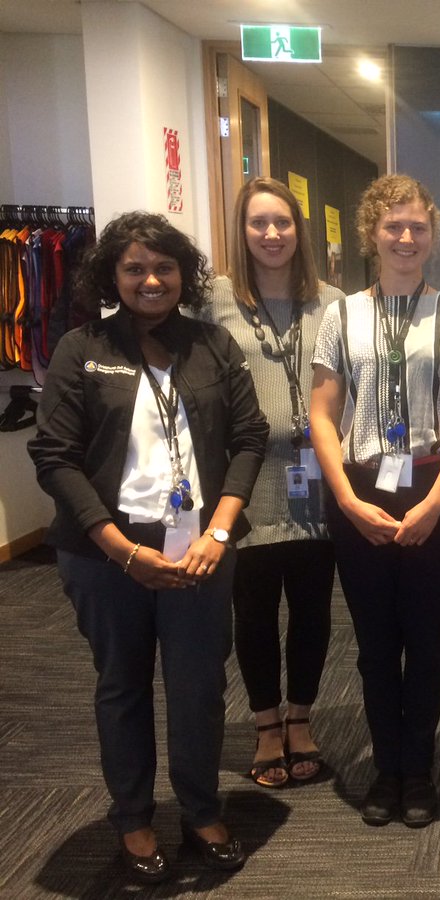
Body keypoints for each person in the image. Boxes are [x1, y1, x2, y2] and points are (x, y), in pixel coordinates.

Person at [28, 212, 267, 882]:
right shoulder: (82, 347)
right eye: (135, 268)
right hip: (105, 555)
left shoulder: (213, 345)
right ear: (112, 275)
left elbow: (250, 436)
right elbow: (55, 456)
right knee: (123, 685)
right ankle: (133, 819)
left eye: (164, 267)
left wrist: (219, 532)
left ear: (184, 275)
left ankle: (199, 809)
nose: (151, 280)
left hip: (199, 550)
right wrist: (120, 549)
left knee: (198, 688)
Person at [308, 174, 440, 828]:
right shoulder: (341, 314)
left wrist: (438, 502)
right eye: (394, 226)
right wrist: (349, 503)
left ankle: (420, 771)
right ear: (372, 235)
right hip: (362, 490)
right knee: (376, 645)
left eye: (418, 227)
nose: (406, 237)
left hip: (434, 487)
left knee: (428, 642)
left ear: (433, 237)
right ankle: (386, 768)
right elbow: (322, 416)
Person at [197, 177, 342, 789]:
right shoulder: (210, 302)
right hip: (245, 478)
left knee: (311, 607)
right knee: (253, 609)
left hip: (317, 477)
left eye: (282, 222)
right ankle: (264, 724)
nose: (272, 234)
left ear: (298, 229)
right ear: (243, 230)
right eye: (259, 223)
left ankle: (302, 718)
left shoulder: (333, 302)